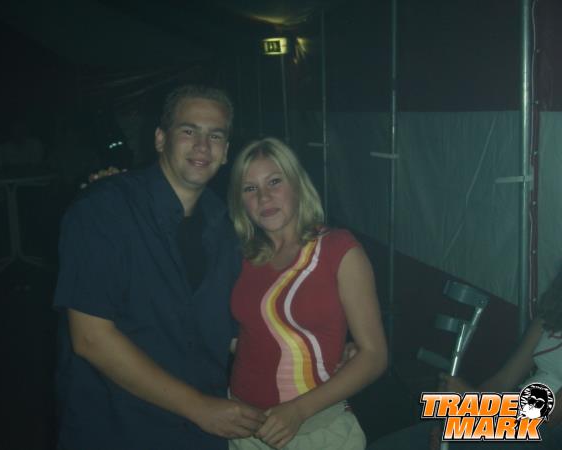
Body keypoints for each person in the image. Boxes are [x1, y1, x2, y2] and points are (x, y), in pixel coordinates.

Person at [53, 85, 266, 450]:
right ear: (160, 139)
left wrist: (320, 351)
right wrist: (199, 407)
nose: (203, 146)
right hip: (117, 428)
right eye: (189, 131)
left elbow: (233, 334)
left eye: (215, 135)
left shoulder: (228, 227)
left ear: (226, 152)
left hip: (201, 435)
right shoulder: (104, 209)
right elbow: (90, 338)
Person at [226, 137, 388, 449]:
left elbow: (375, 355)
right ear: (240, 201)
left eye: (275, 182)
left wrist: (298, 410)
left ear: (297, 184)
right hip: (244, 427)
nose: (263, 197)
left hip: (313, 430)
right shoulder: (242, 257)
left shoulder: (338, 249)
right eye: (250, 188)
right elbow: (241, 337)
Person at [368, 270, 562, 450]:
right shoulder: (549, 318)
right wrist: (460, 412)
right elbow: (503, 380)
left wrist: (473, 403)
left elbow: (552, 417)